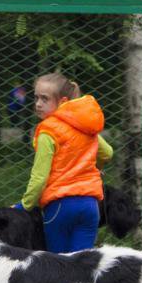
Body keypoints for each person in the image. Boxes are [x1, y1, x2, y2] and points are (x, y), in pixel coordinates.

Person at [14, 73, 113, 253]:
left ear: (63, 101)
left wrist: (24, 206)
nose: (38, 103)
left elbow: (39, 178)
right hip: (90, 206)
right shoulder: (84, 125)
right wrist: (94, 167)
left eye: (45, 99)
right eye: (36, 97)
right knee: (82, 268)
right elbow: (107, 153)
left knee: (59, 266)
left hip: (61, 206)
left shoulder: (48, 130)